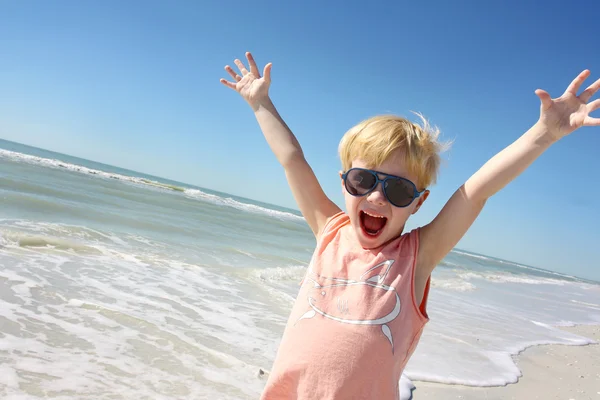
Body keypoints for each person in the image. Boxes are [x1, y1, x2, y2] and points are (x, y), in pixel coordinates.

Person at [220, 52, 599, 399]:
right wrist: (261, 103)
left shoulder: (416, 258)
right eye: (363, 180)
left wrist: (544, 134)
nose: (376, 198)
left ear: (418, 203)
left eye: (398, 189)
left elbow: (476, 192)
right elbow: (293, 160)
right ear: (344, 182)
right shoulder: (330, 230)